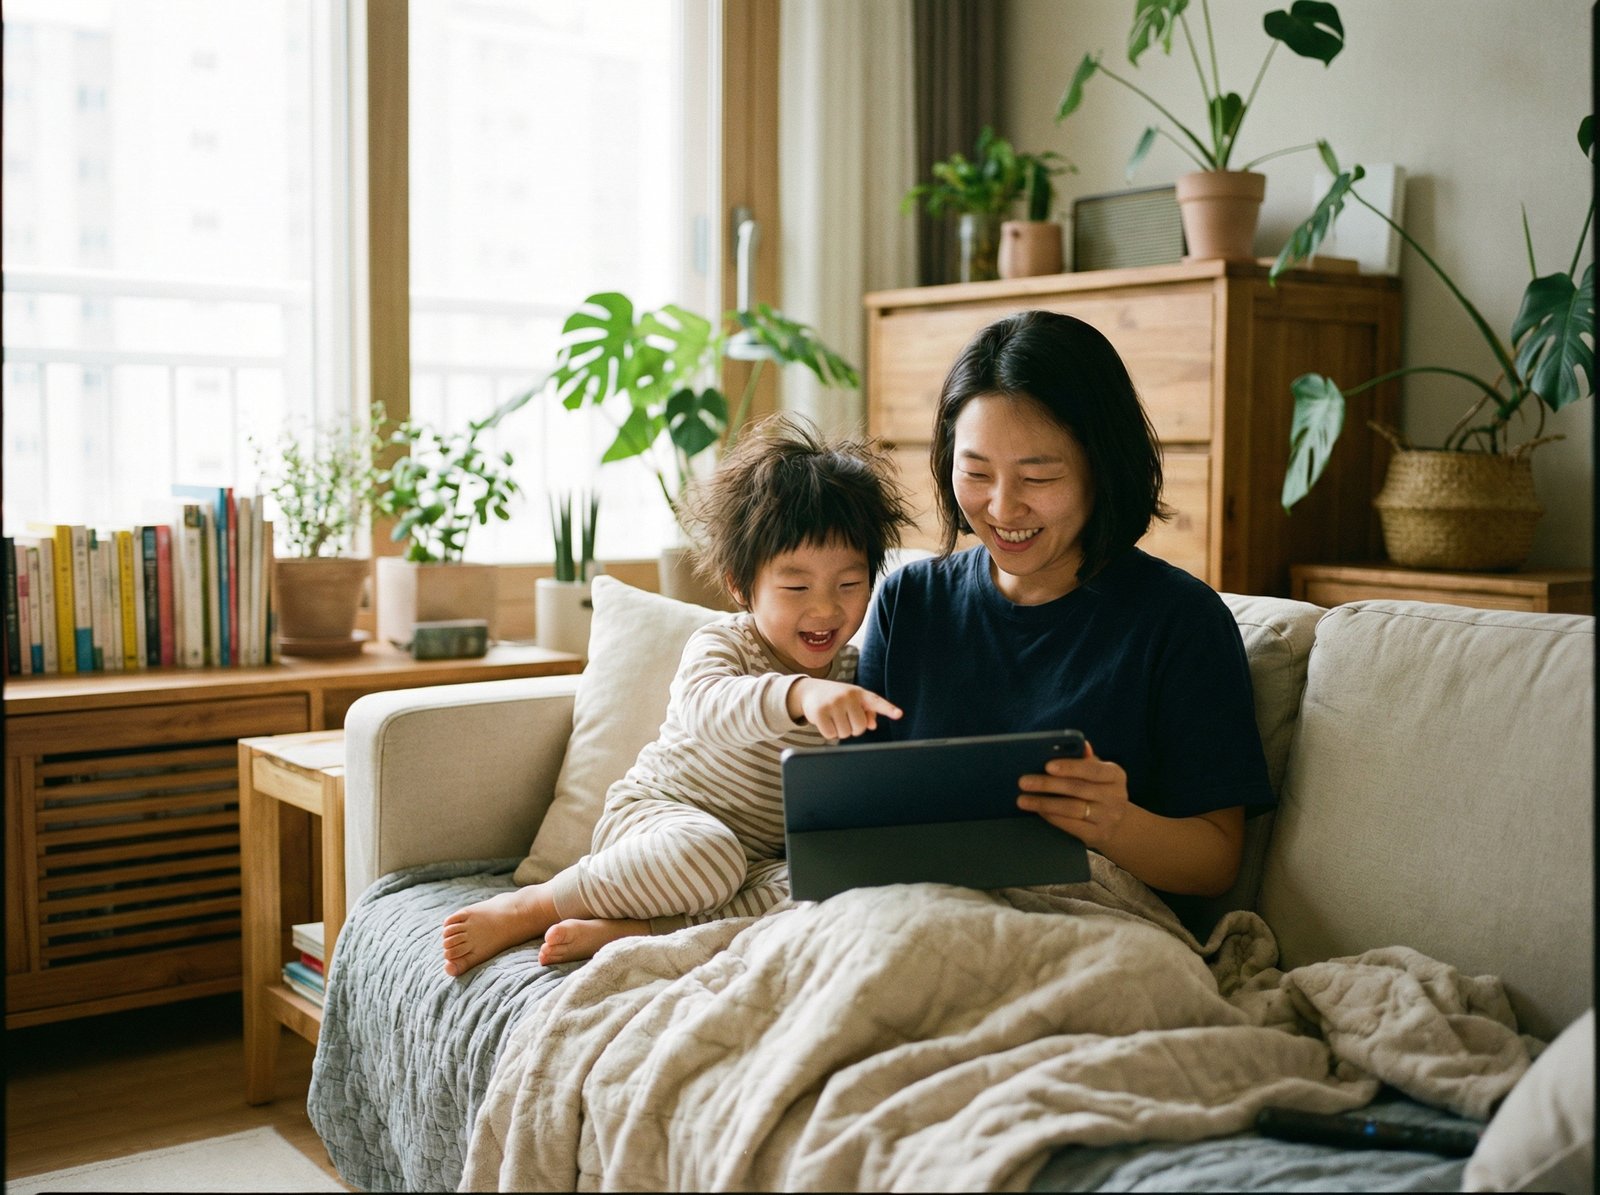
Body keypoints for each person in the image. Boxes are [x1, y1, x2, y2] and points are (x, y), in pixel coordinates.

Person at [442, 416, 915, 973]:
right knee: (709, 858)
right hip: (660, 822)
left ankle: (637, 929)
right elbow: (710, 709)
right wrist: (798, 693)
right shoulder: (723, 645)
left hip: (754, 860)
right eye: (796, 587)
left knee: (826, 880)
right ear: (742, 587)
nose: (826, 609)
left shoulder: (855, 675)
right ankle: (534, 904)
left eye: (849, 585)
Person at [855, 309, 1275, 899]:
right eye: (975, 472)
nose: (1002, 508)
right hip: (916, 904)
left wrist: (1115, 823)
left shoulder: (1180, 622)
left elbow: (1216, 864)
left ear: (1101, 469)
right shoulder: (908, 603)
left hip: (1091, 921)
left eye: (1038, 478)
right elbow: (856, 811)